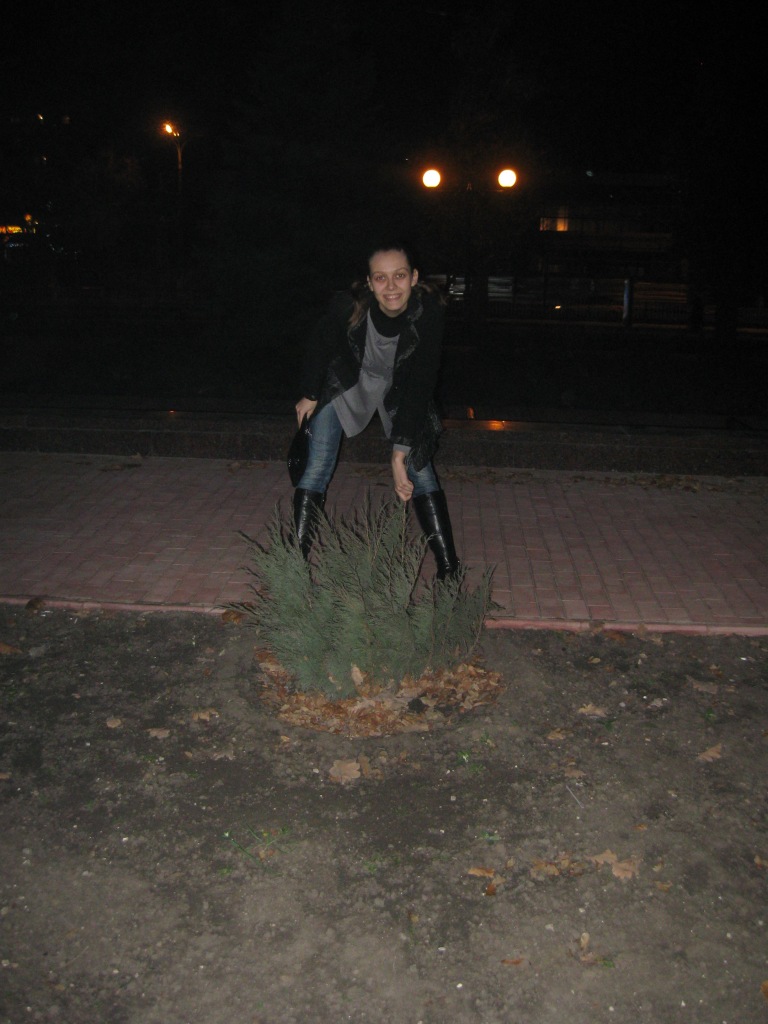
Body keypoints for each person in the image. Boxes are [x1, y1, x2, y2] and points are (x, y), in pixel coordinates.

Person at [293, 242, 460, 580]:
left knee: (419, 470)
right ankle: (293, 566)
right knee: (318, 466)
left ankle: (448, 568)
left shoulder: (428, 314)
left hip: (399, 391)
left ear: (414, 277)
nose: (391, 286)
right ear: (370, 283)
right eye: (381, 278)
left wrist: (399, 455)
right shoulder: (349, 306)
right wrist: (309, 394)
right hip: (344, 384)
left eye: (400, 276)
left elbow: (422, 383)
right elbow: (319, 344)